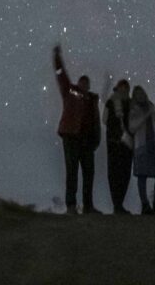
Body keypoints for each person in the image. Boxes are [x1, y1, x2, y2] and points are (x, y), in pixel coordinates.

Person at [53, 43, 101, 214]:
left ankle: (88, 206)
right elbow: (61, 75)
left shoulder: (93, 100)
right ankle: (71, 206)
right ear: (78, 83)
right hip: (71, 137)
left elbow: (96, 121)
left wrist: (96, 141)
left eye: (86, 83)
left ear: (88, 86)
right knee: (72, 172)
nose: (83, 85)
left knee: (89, 174)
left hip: (88, 142)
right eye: (81, 82)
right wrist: (57, 57)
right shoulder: (70, 92)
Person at [128, 85, 155, 214]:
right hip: (142, 145)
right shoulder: (133, 109)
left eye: (142, 93)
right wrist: (145, 116)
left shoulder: (151, 106)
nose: (141, 95)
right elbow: (132, 127)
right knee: (142, 175)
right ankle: (145, 205)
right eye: (137, 94)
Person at [104, 78, 133, 214]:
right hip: (115, 142)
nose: (123, 90)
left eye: (125, 88)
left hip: (126, 143)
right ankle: (117, 204)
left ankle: (119, 204)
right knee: (115, 173)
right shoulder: (111, 102)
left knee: (124, 173)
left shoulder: (131, 103)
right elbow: (105, 120)